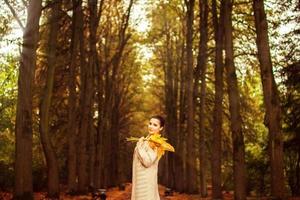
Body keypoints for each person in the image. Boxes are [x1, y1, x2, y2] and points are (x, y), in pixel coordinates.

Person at [131, 115, 167, 200]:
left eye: (155, 125)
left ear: (161, 128)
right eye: (150, 123)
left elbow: (147, 162)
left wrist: (139, 146)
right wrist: (141, 144)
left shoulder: (157, 143)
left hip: (146, 183)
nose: (151, 126)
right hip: (139, 181)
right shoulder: (146, 141)